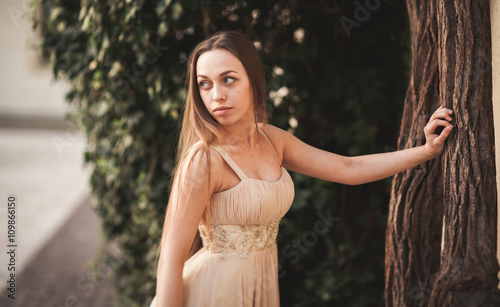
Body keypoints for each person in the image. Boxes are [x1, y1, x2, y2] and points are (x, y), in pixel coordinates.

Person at [149, 30, 453, 307]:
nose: (216, 95)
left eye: (228, 79)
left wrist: (426, 151)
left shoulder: (273, 140)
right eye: (205, 84)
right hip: (210, 294)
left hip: (259, 292)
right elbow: (170, 261)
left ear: (253, 80)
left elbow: (348, 168)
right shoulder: (204, 159)